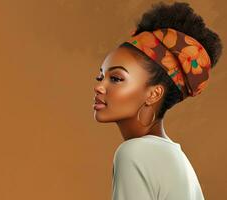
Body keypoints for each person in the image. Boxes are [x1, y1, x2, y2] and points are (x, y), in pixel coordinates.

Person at [92, 2, 223, 200]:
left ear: (154, 94)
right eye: (100, 77)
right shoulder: (178, 161)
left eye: (117, 78)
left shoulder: (134, 153)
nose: (99, 87)